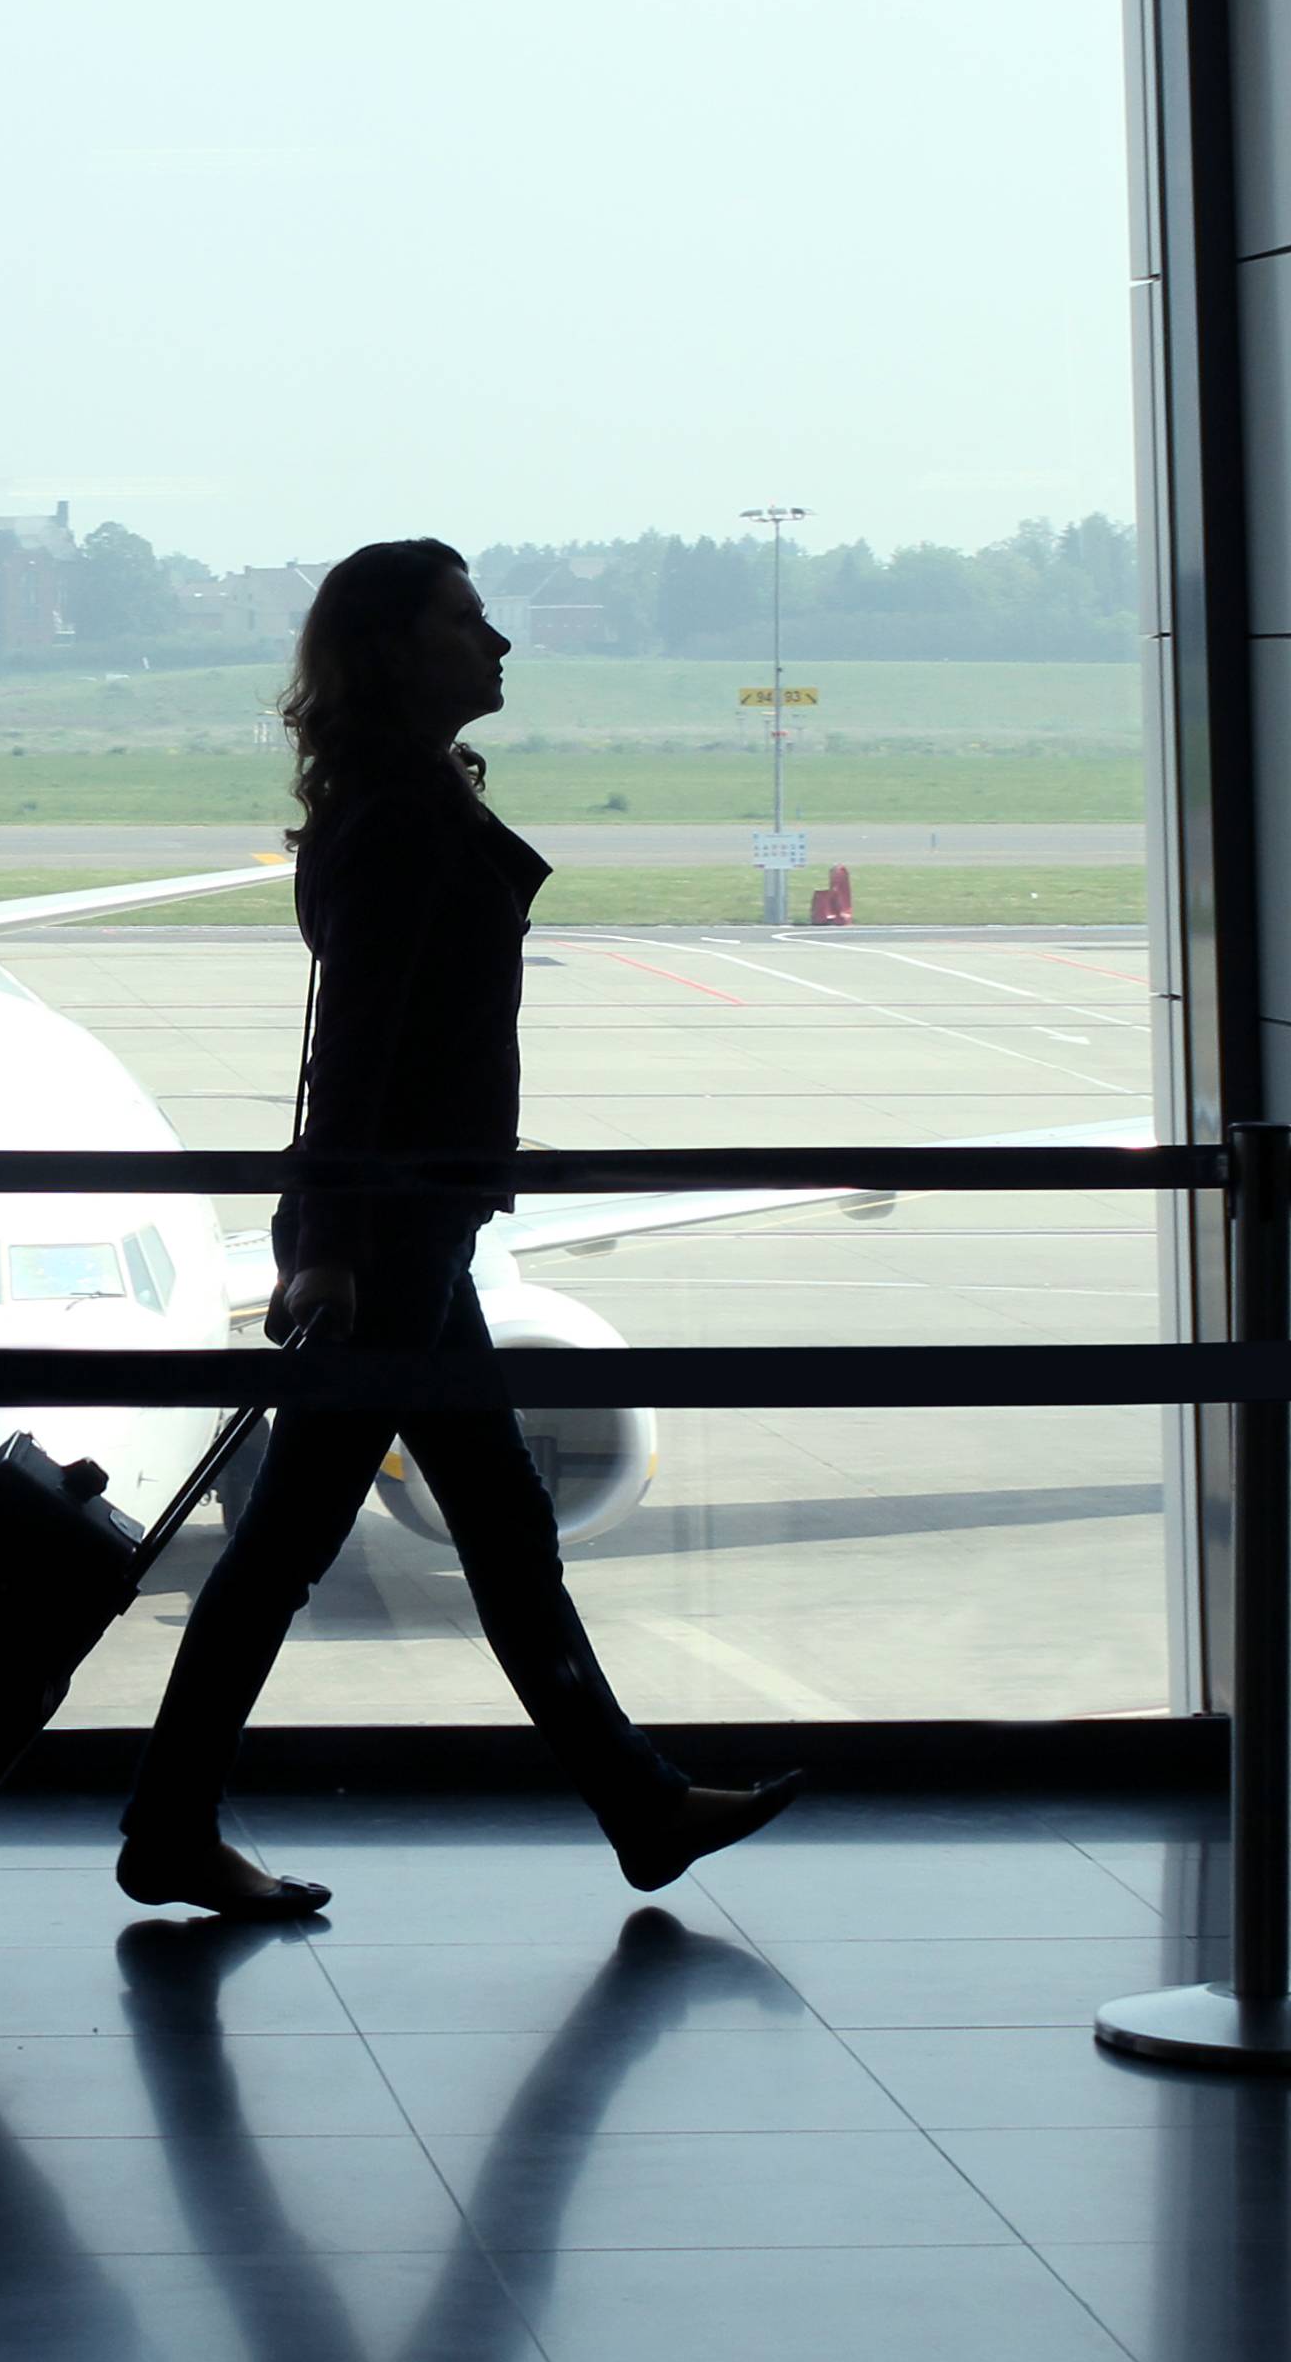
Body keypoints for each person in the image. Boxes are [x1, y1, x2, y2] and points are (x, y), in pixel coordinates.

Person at [117, 538, 804, 1921]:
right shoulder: (404, 822)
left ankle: (639, 1807)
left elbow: (391, 1043)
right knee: (309, 1548)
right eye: (465, 621)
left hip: (408, 1218)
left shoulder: (395, 805)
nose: (496, 646)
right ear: (394, 650)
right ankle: (170, 1827)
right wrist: (325, 1246)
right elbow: (355, 1051)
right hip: (391, 1238)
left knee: (485, 1528)